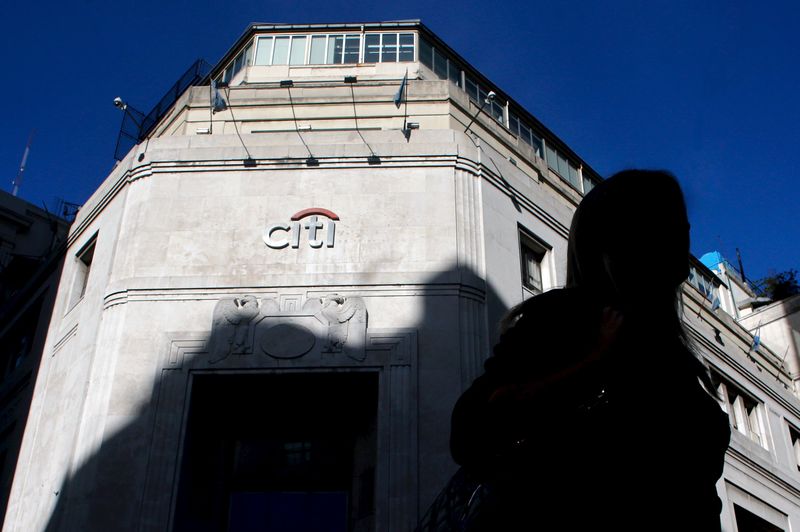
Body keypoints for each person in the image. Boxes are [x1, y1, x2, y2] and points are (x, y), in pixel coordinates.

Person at [434, 170, 731, 531]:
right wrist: (591, 366)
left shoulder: (671, 353)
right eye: (671, 231)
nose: (685, 254)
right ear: (628, 237)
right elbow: (472, 432)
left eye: (683, 232)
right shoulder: (568, 319)